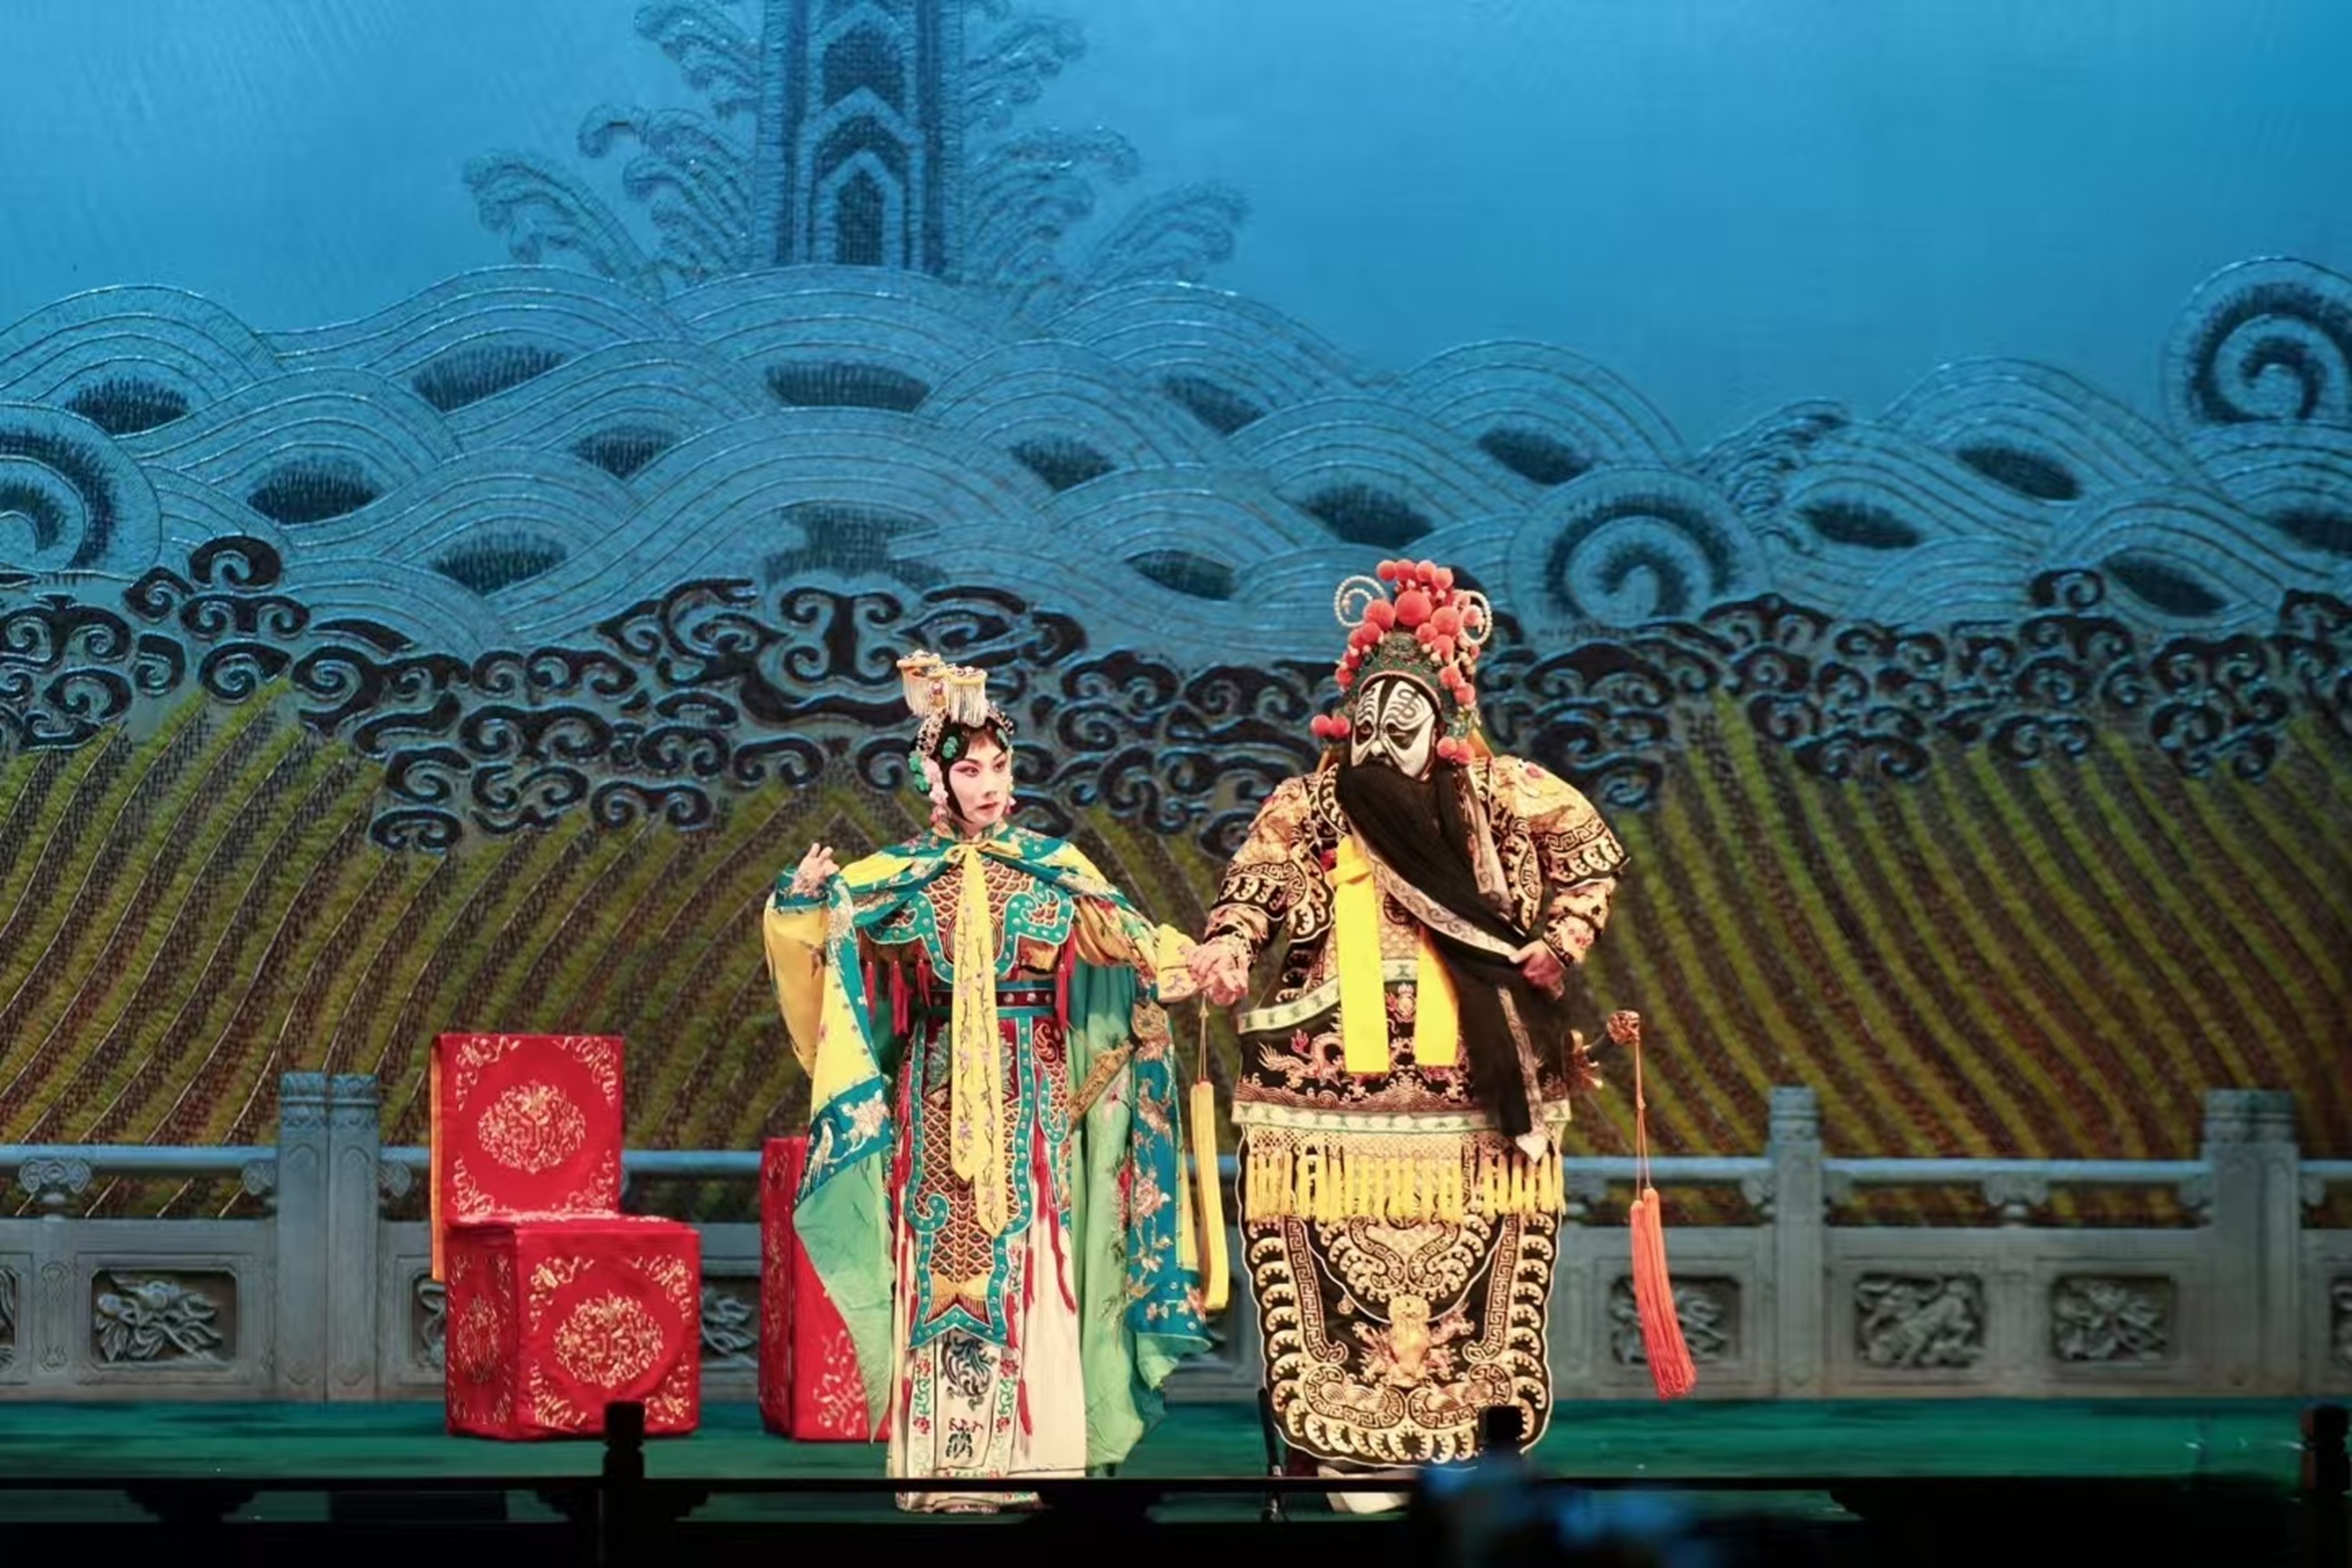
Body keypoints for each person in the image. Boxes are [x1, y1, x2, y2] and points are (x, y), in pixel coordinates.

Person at [1186, 560, 1628, 1511]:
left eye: (1404, 719)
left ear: (1443, 721)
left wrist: (1560, 941)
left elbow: (1590, 858)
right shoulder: (1311, 805)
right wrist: (1226, 951)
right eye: (1370, 719)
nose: (1383, 738)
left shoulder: (1498, 794)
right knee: (1335, 1275)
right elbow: (1251, 893)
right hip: (1325, 1103)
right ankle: (1347, 1441)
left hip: (1474, 1089)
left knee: (1472, 1274)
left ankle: (1464, 1442)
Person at [764, 651, 1210, 1513]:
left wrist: (1195, 964)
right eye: (970, 770)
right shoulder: (892, 880)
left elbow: (1129, 941)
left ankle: (1039, 1457)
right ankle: (944, 1466)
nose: (992, 784)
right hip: (931, 1095)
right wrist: (800, 905)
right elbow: (829, 970)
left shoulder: (1054, 867)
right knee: (939, 1258)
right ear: (932, 779)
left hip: (1032, 1100)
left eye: (1000, 765)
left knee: (1034, 1253)